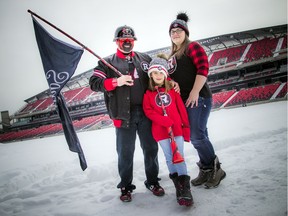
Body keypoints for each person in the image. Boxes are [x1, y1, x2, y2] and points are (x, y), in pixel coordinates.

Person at [89, 25, 165, 202]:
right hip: (123, 115)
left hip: (146, 112)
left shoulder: (145, 58)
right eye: (123, 41)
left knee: (151, 148)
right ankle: (125, 186)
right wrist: (116, 81)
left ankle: (153, 181)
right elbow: (94, 83)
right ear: (117, 41)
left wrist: (170, 81)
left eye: (130, 41)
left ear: (134, 41)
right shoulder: (106, 62)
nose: (127, 43)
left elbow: (161, 73)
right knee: (125, 152)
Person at [167, 13, 226, 189]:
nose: (175, 34)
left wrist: (194, 92)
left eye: (178, 30)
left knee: (196, 136)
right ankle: (207, 170)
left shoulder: (193, 46)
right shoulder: (173, 54)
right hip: (186, 101)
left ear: (185, 32)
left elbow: (203, 68)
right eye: (172, 31)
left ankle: (216, 169)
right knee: (201, 135)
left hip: (198, 98)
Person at [143, 54, 193, 207]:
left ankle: (186, 189)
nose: (158, 76)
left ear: (165, 74)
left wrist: (185, 128)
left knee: (179, 156)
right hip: (160, 131)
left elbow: (181, 110)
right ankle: (178, 186)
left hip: (176, 129)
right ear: (151, 75)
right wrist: (163, 120)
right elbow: (148, 111)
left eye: (160, 73)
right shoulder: (148, 94)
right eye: (154, 73)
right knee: (169, 156)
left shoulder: (172, 90)